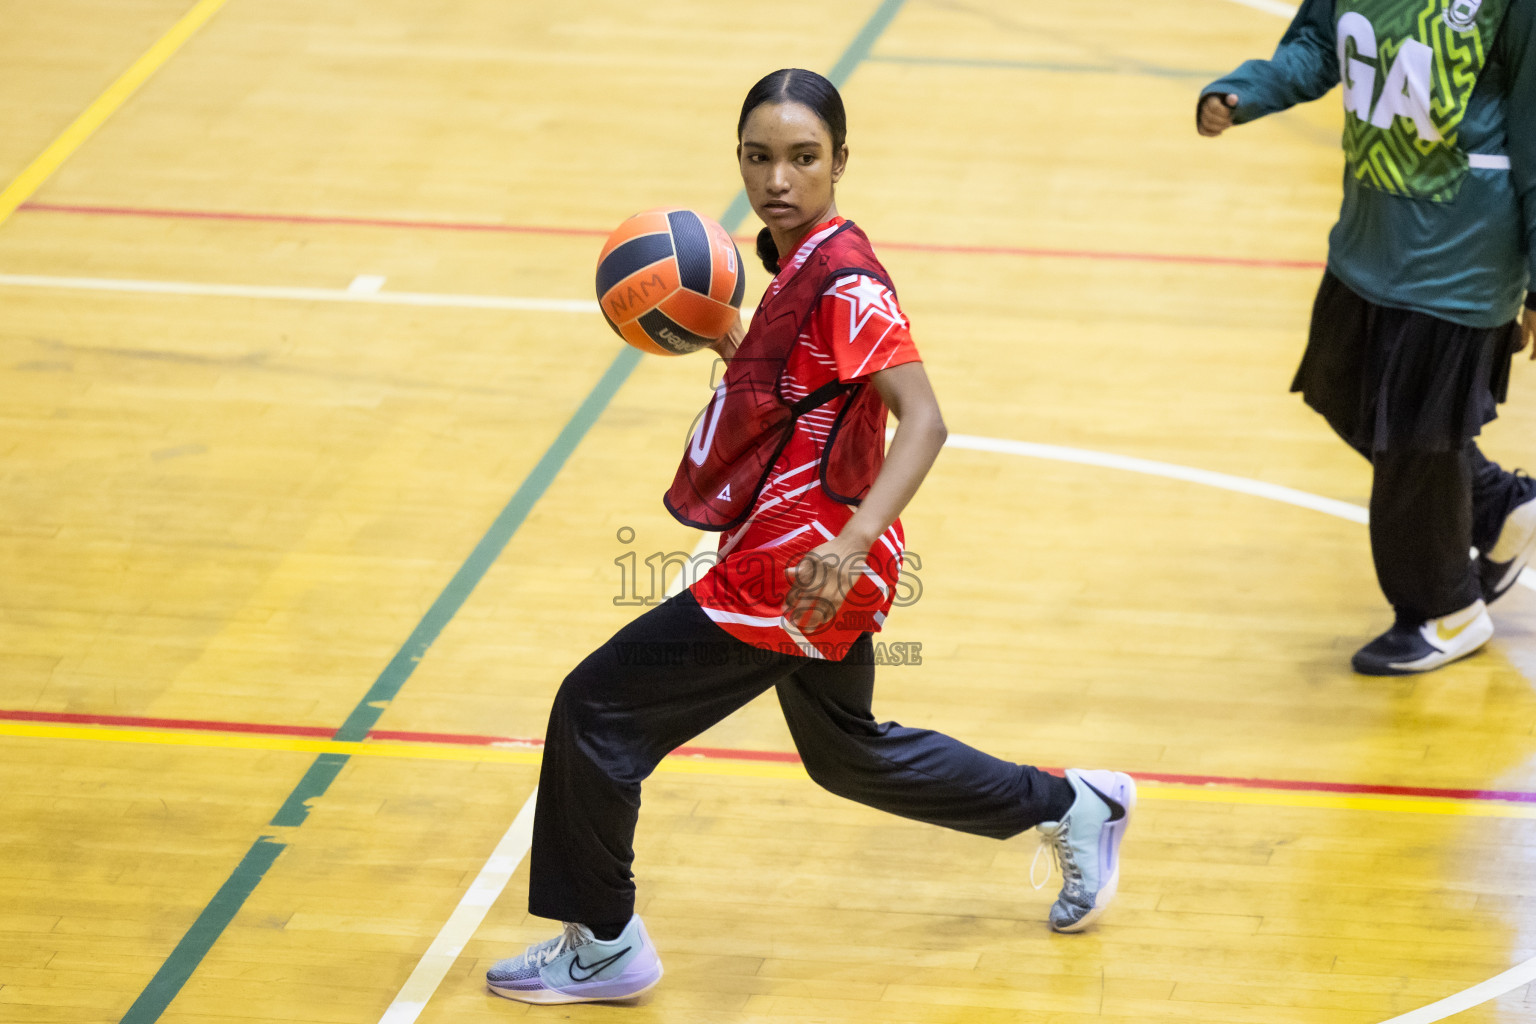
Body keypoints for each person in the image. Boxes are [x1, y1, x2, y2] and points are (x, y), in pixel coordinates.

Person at [484, 68, 1135, 1006]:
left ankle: (604, 942)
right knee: (850, 755)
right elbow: (805, 390)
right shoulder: (796, 263)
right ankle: (1078, 805)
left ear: (840, 162)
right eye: (759, 158)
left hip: (800, 571)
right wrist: (735, 344)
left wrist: (849, 545)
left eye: (803, 159)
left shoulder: (849, 279)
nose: (778, 179)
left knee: (596, 710)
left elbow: (925, 419)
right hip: (804, 559)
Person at [1197, 0, 1536, 675]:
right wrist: (1249, 90)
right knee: (1345, 394)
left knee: (1413, 444)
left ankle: (1445, 611)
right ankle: (1499, 506)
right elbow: (1320, 43)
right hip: (1370, 236)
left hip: (1460, 254)